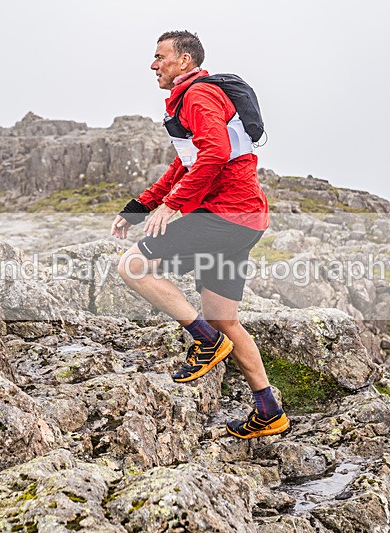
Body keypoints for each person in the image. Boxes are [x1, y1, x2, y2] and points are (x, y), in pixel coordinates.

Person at [110, 30, 289, 439]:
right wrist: (138, 208)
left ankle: (205, 342)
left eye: (160, 57)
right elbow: (185, 166)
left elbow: (214, 155)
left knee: (133, 266)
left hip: (226, 215)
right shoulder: (190, 100)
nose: (154, 65)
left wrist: (173, 206)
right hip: (247, 220)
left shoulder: (198, 96)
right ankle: (268, 411)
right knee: (224, 318)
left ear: (184, 61)